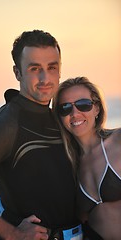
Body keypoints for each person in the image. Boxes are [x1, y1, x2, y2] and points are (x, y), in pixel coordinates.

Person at [0, 30, 82, 240]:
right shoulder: (6, 124)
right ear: (18, 72)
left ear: (60, 70)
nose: (45, 77)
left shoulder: (61, 117)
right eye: (35, 68)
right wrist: (12, 233)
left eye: (52, 67)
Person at [53, 76, 121, 240]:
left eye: (84, 105)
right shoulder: (68, 165)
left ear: (96, 108)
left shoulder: (118, 140)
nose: (75, 114)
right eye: (66, 108)